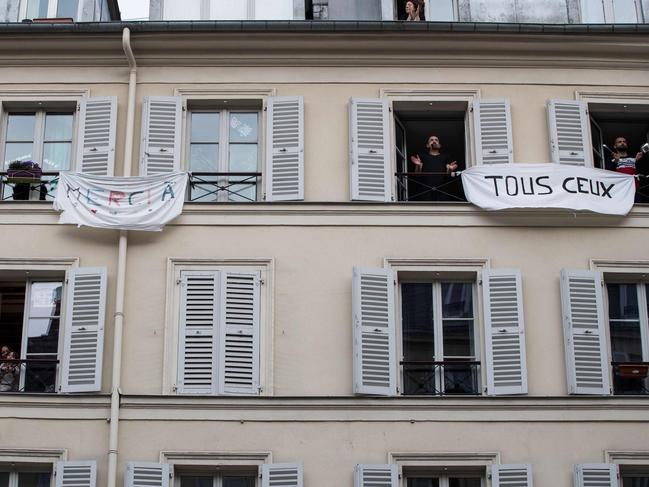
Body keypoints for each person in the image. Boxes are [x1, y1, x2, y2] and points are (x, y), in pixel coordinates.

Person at [409, 135, 461, 201]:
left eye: (436, 140)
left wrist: (450, 168)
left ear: (439, 145)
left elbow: (448, 172)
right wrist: (418, 165)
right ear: (427, 145)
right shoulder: (422, 157)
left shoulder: (446, 157)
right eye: (431, 140)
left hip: (443, 190)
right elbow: (417, 174)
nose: (434, 141)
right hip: (426, 190)